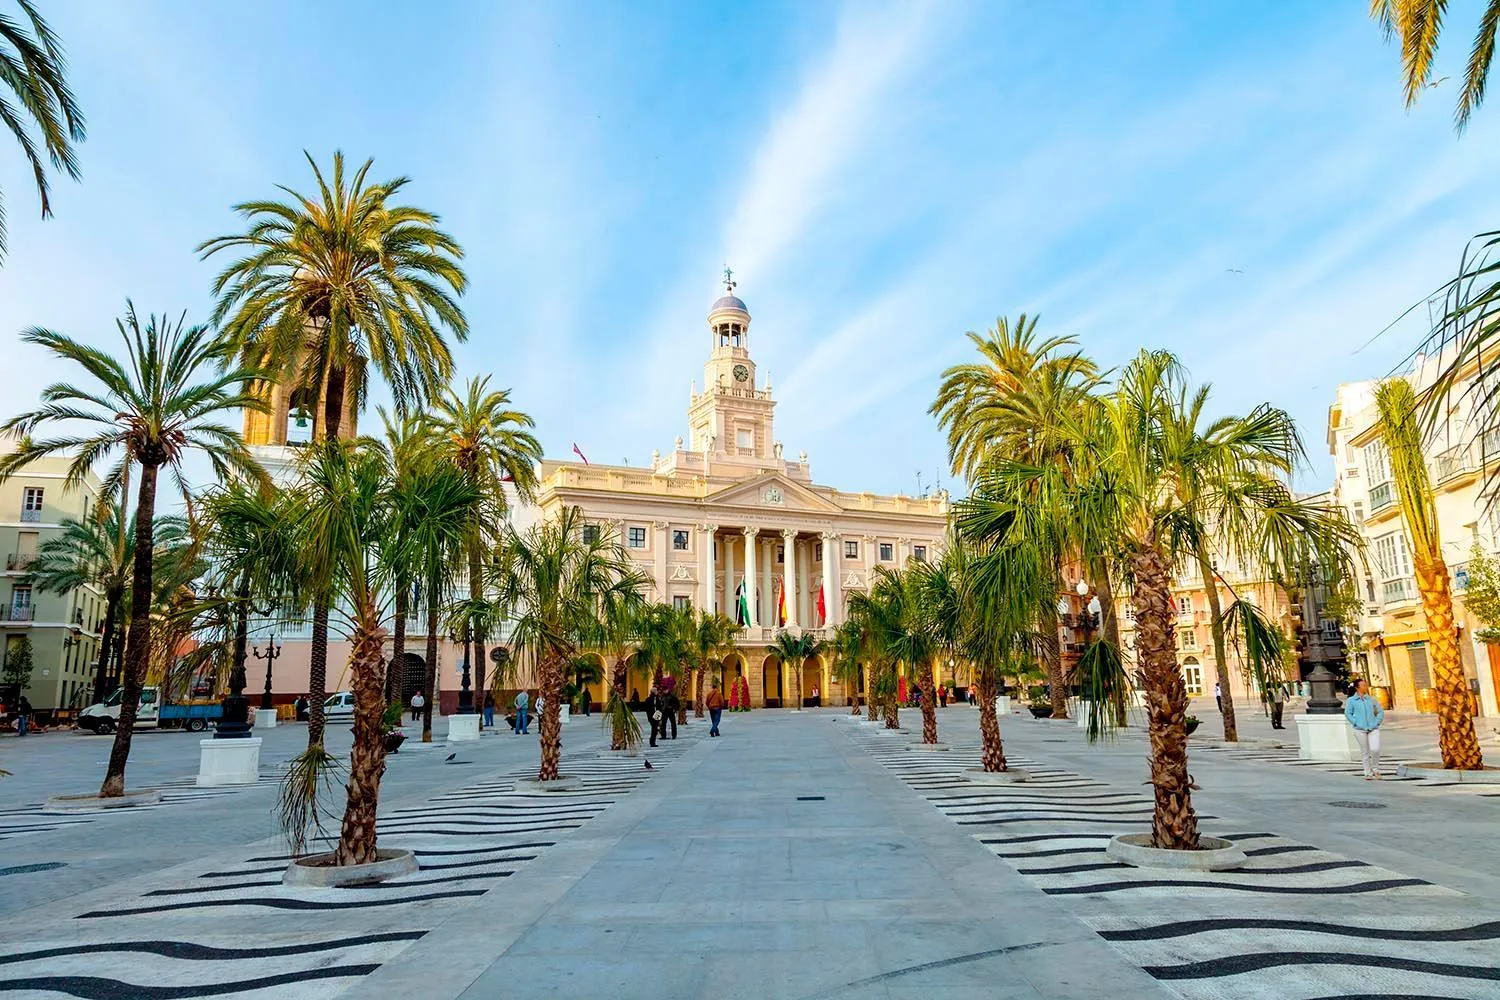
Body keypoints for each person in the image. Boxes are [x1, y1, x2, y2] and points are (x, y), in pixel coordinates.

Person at [1344, 678, 1385, 779]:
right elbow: (1348, 713)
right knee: (1365, 751)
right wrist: (1355, 723)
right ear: (1357, 687)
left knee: (1375, 749)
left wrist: (1376, 722)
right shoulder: (1351, 700)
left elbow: (1380, 712)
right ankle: (1367, 772)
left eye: (1366, 685)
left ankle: (1376, 769)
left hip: (1373, 728)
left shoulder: (1372, 699)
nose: (1365, 687)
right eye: (1363, 685)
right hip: (1359, 729)